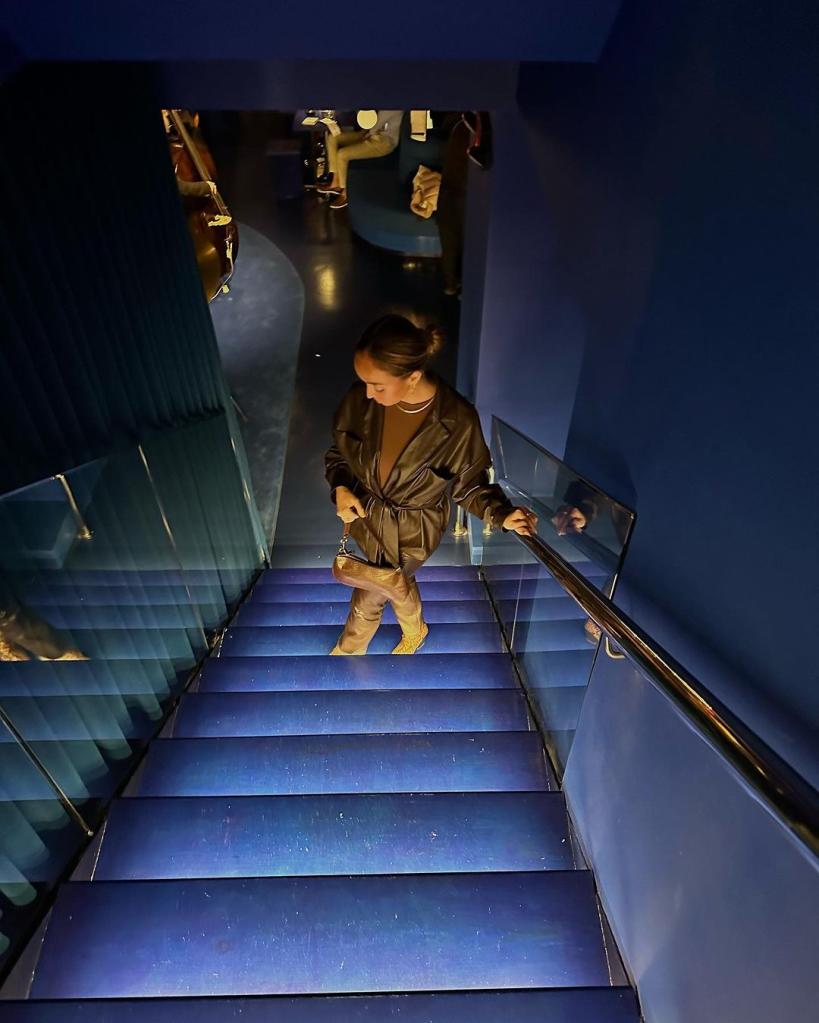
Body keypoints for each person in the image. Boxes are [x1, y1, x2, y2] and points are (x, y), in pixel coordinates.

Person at [325, 315, 537, 655]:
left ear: (413, 377)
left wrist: (501, 514)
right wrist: (341, 487)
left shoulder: (457, 421)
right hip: (369, 518)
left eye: (378, 385)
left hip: (414, 529)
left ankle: (350, 648)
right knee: (392, 581)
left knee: (373, 589)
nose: (367, 392)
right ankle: (415, 628)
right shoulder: (361, 400)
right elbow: (339, 453)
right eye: (364, 381)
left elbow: (469, 484)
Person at [318, 111, 404, 210]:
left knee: (343, 154)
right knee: (332, 139)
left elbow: (375, 124)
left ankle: (346, 193)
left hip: (384, 141)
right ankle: (335, 182)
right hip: (369, 132)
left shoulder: (392, 107)